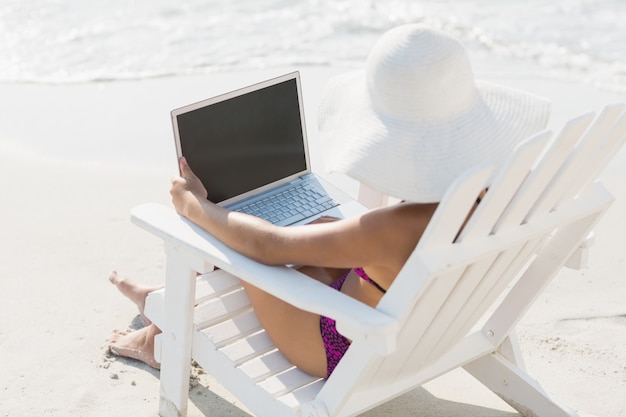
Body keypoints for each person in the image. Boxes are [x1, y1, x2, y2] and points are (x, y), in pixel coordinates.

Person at [108, 24, 551, 379]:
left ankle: (161, 324)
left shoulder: (401, 227)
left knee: (237, 239)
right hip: (428, 325)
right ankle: (163, 308)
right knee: (318, 228)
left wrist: (195, 208)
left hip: (342, 348)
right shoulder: (507, 190)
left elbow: (267, 249)